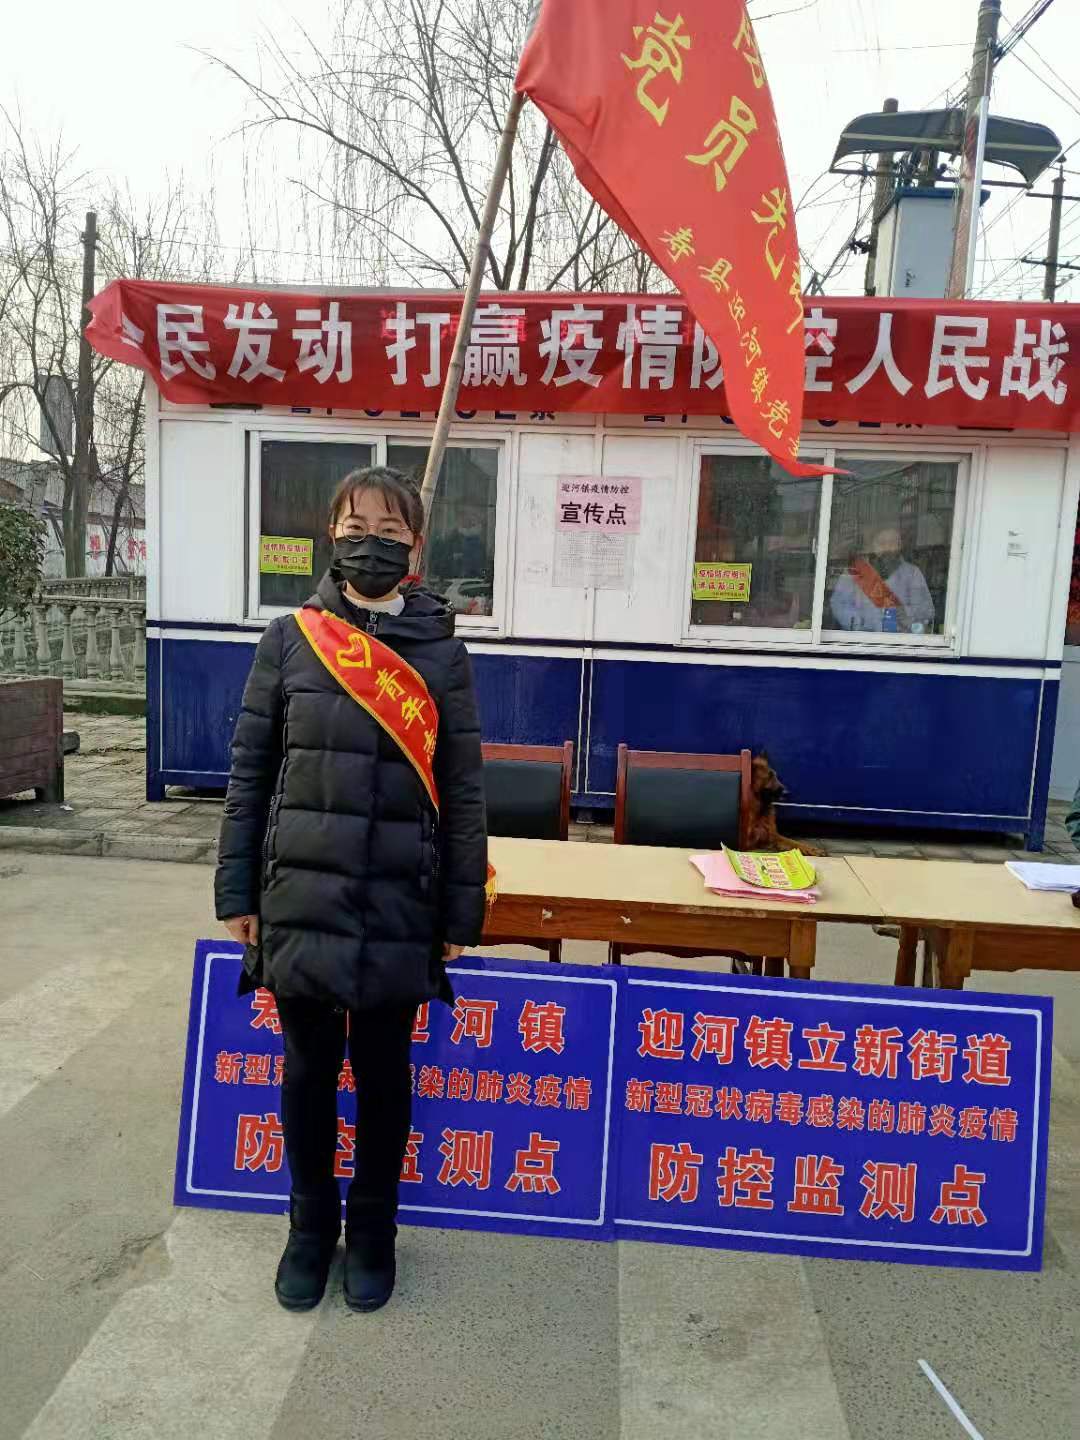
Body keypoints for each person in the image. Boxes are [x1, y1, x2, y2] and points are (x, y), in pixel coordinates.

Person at [214, 465, 487, 1314]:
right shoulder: (290, 639)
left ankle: (372, 1231)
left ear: (415, 548)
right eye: (355, 525)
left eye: (390, 530)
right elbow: (251, 772)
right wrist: (236, 889)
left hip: (401, 893)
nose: (372, 542)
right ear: (331, 535)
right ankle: (308, 1229)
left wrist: (461, 908)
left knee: (383, 1073)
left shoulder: (442, 653)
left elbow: (463, 788)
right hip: (300, 889)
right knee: (307, 1069)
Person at [829, 525, 935, 634]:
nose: (887, 548)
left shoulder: (912, 573)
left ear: (900, 546)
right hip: (861, 638)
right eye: (882, 543)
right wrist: (859, 622)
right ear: (873, 546)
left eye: (892, 543)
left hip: (900, 640)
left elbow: (925, 612)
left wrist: (903, 614)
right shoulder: (856, 571)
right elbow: (838, 604)